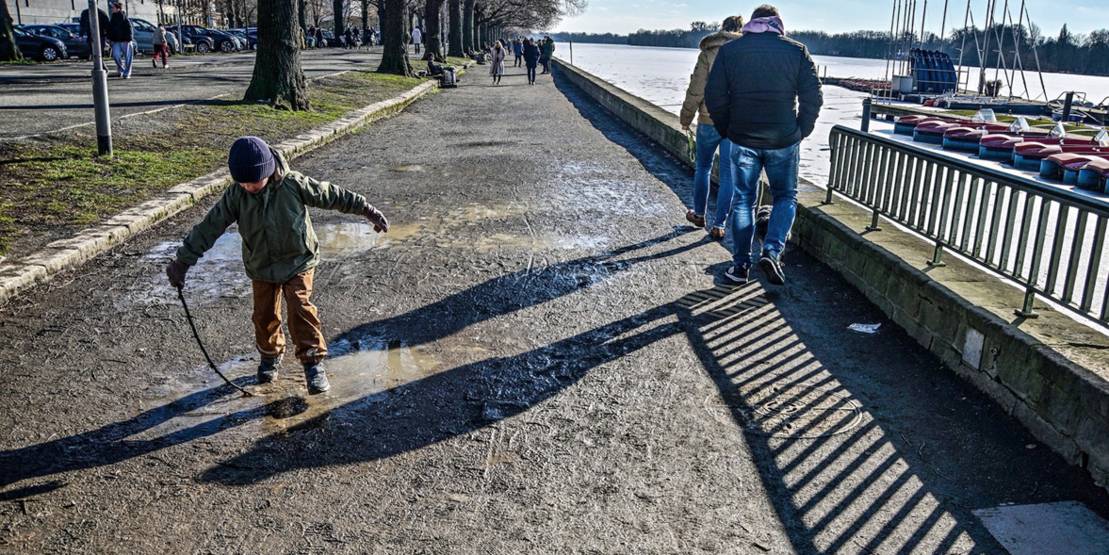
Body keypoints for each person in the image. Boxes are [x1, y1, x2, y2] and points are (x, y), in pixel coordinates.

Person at [165, 137, 391, 395]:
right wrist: (183, 261)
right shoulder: (236, 195)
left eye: (254, 182)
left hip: (298, 260)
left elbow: (331, 194)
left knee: (299, 307)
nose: (249, 187)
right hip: (261, 265)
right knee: (264, 315)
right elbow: (210, 226)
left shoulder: (292, 184)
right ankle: (270, 355)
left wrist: (366, 210)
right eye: (243, 183)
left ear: (268, 171)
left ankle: (313, 363)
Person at [705, 4, 823, 286]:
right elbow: (813, 97)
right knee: (785, 196)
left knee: (744, 200)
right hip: (783, 138)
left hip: (742, 137)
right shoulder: (796, 51)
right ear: (778, 23)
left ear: (751, 23)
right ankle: (771, 250)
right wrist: (801, 130)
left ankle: (740, 266)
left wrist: (727, 128)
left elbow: (714, 95)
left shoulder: (731, 51)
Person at [680, 16, 742, 241]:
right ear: (740, 30)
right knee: (728, 176)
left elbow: (696, 89)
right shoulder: (746, 53)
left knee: (703, 168)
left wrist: (686, 117)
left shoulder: (708, 53)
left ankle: (699, 215)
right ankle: (719, 225)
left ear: (722, 29)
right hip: (733, 124)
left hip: (708, 120)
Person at [106, 2, 134, 78]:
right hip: (116, 41)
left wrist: (129, 38)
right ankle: (122, 69)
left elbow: (129, 28)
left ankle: (126, 73)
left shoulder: (123, 17)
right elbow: (110, 29)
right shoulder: (113, 18)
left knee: (128, 57)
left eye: (113, 7)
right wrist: (109, 38)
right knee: (115, 55)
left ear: (118, 8)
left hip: (125, 40)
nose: (112, 9)